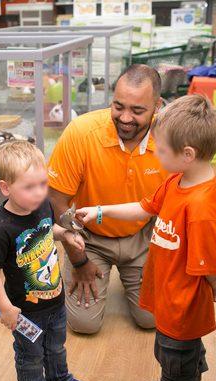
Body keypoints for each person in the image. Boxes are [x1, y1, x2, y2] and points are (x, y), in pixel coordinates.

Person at [77, 94, 216, 381]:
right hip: (168, 303)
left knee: (178, 363)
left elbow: (211, 270)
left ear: (187, 153)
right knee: (172, 359)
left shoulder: (200, 207)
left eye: (162, 149)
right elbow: (144, 208)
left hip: (182, 313)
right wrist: (101, 211)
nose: (156, 155)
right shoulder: (176, 182)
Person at [47, 64, 167, 334]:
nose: (125, 118)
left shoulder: (169, 136)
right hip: (91, 237)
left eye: (137, 111)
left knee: (152, 320)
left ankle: (133, 275)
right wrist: (78, 259)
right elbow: (57, 200)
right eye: (118, 106)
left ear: (157, 106)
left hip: (142, 235)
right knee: (83, 325)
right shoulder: (81, 132)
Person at [0, 141, 88, 381]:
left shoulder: (42, 205)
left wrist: (65, 235)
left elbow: (47, 229)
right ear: (6, 188)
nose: (39, 192)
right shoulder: (0, 230)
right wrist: (6, 308)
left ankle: (58, 378)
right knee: (30, 357)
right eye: (29, 187)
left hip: (55, 298)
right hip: (25, 311)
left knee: (56, 346)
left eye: (43, 183)